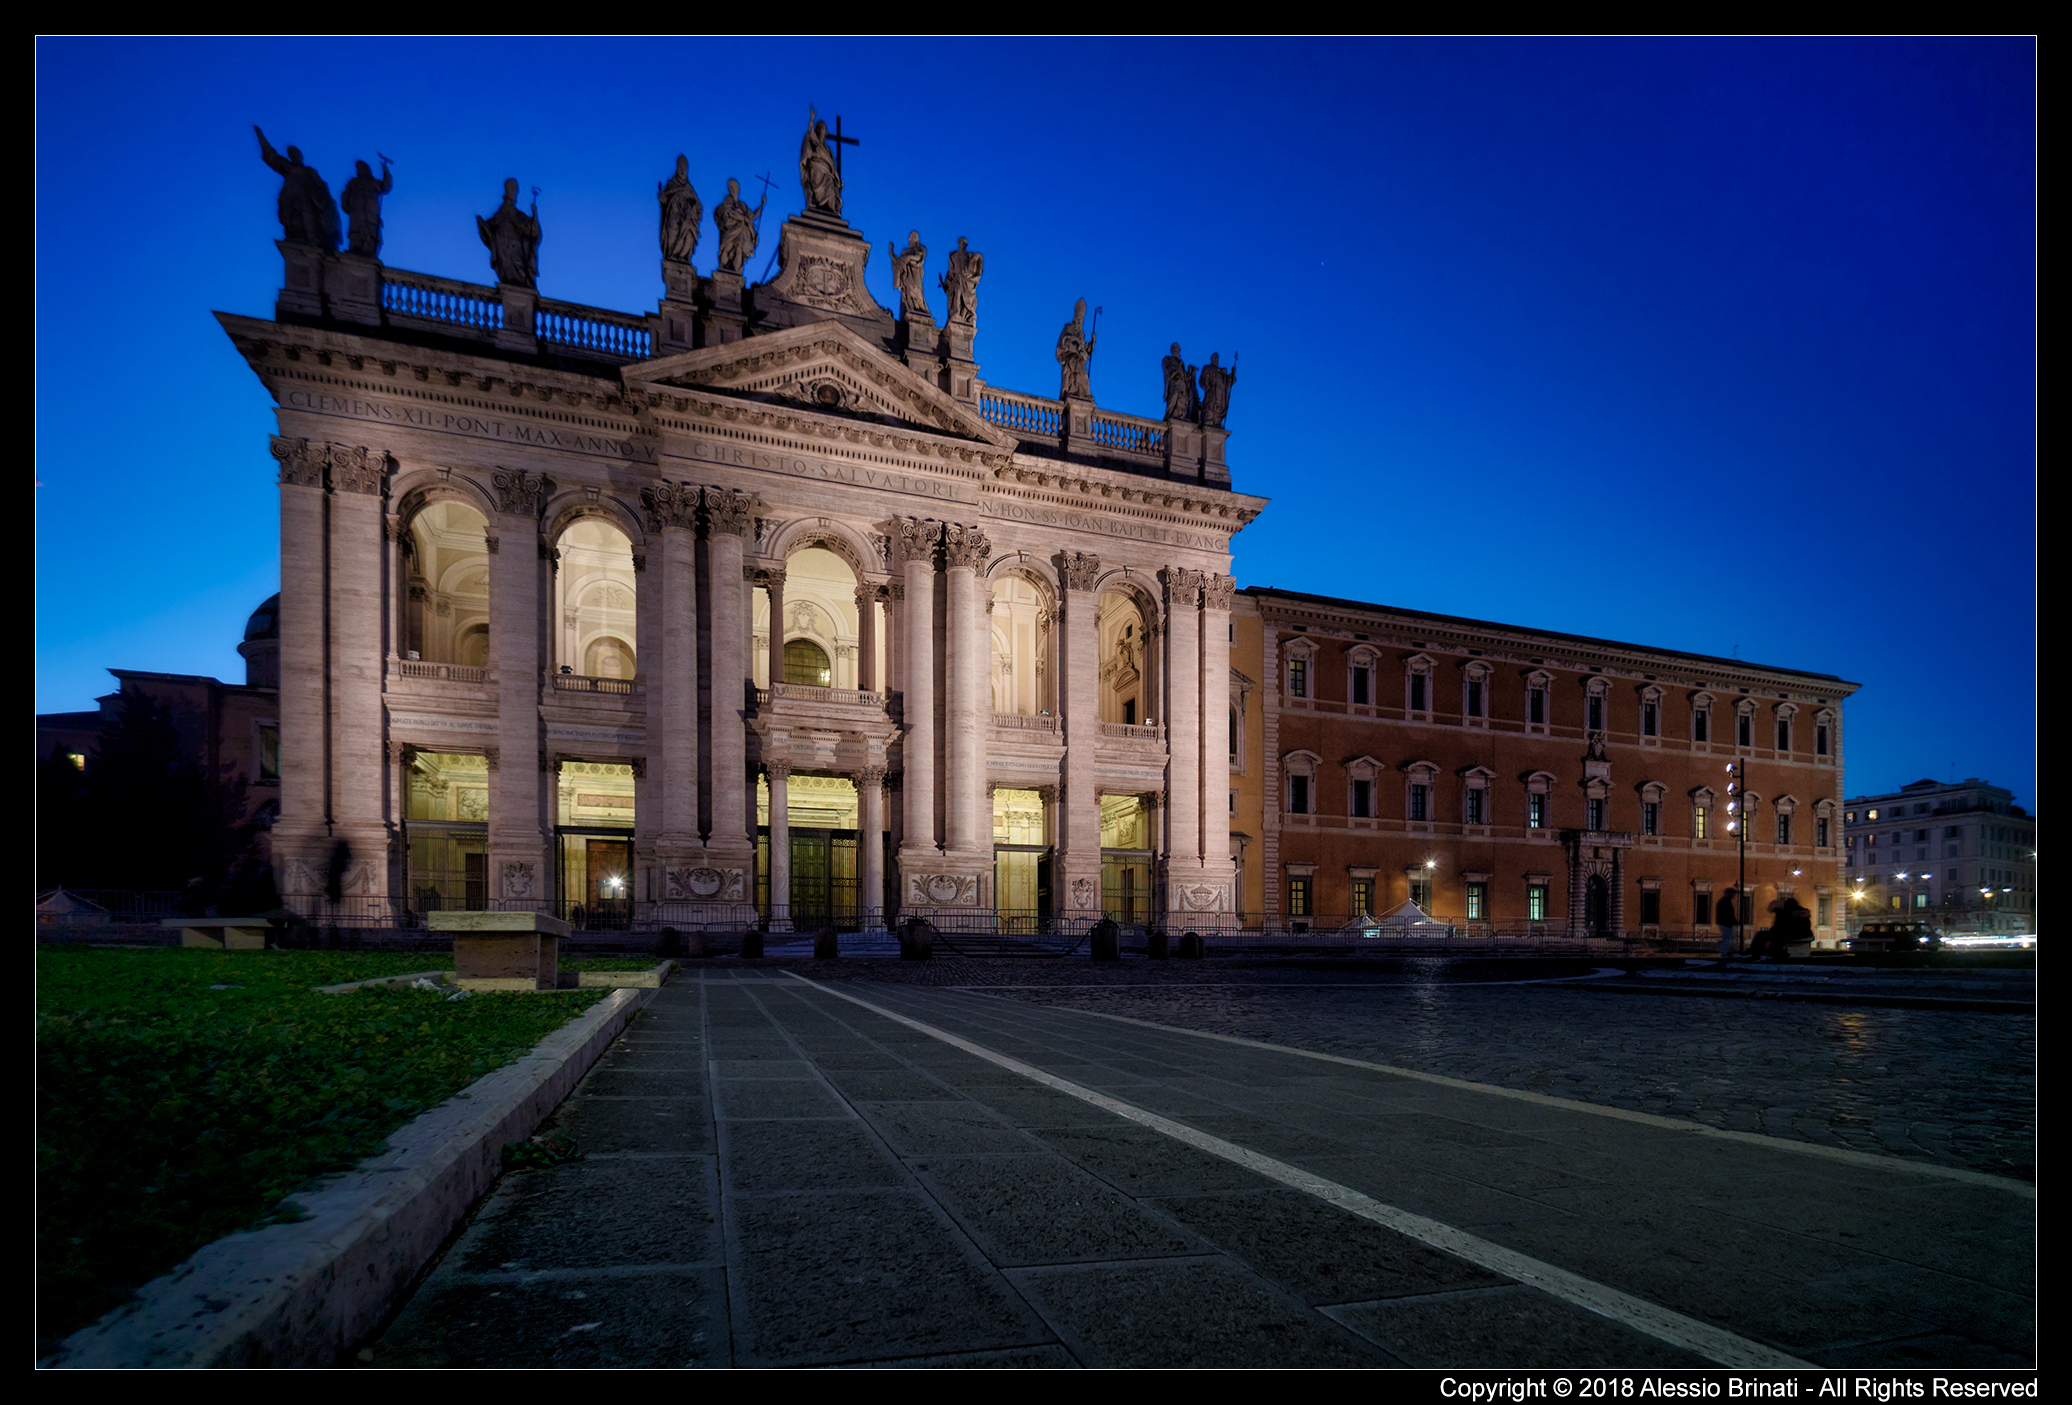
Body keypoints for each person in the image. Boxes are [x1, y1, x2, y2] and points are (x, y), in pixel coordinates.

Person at [1715, 886, 1740, 964]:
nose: (1734, 896)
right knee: (1726, 938)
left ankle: (1725, 952)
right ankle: (1724, 953)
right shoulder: (1726, 902)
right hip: (1726, 923)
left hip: (1724, 923)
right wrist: (1734, 921)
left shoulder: (1723, 901)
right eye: (1733, 894)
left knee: (1726, 938)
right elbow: (1728, 914)